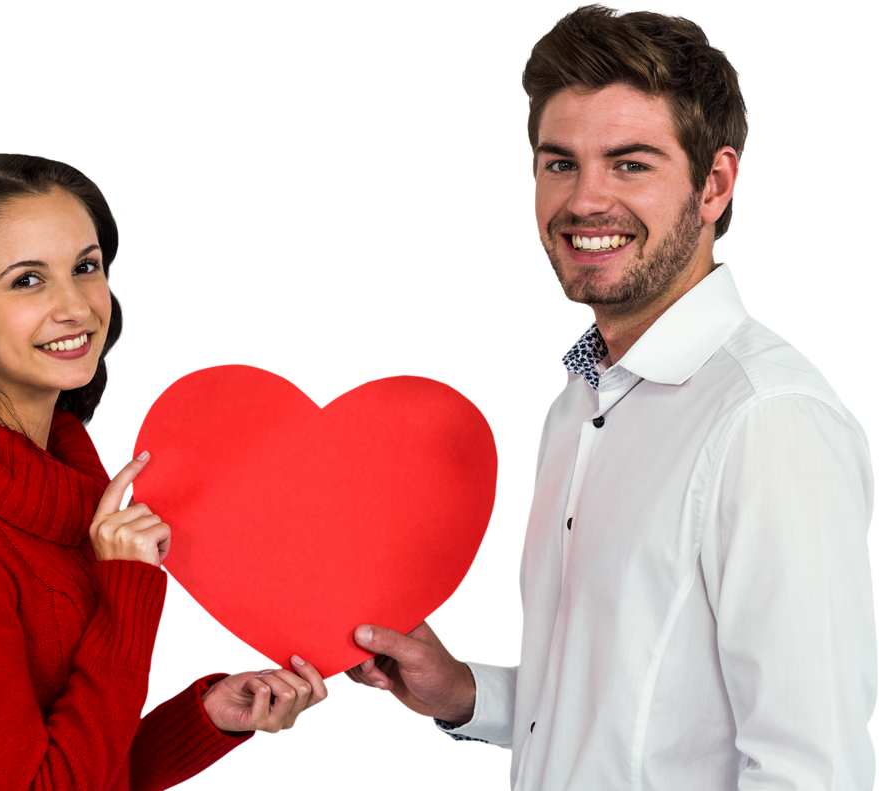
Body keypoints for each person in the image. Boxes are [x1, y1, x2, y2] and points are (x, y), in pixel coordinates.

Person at [343, 4, 878, 788]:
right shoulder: (577, 402)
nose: (586, 201)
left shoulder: (769, 420)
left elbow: (812, 770)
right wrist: (463, 692)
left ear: (716, 184)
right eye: (560, 164)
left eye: (630, 164)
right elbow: (629, 710)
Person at [0, 149, 330, 791]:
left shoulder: (74, 479)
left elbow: (92, 766)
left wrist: (207, 718)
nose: (76, 307)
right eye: (27, 279)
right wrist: (127, 596)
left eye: (85, 268)